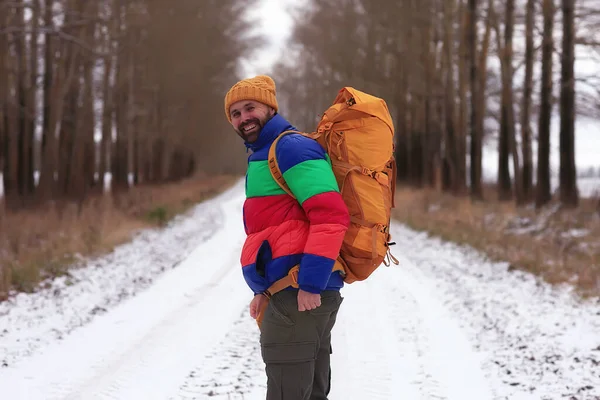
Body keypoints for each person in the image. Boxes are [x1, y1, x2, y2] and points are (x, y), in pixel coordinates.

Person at [224, 75, 350, 400]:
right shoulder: (262, 155)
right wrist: (264, 290)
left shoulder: (291, 147)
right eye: (235, 113)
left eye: (249, 107)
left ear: (269, 107)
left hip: (300, 295)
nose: (243, 118)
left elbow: (330, 215)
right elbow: (280, 232)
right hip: (289, 294)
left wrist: (309, 283)